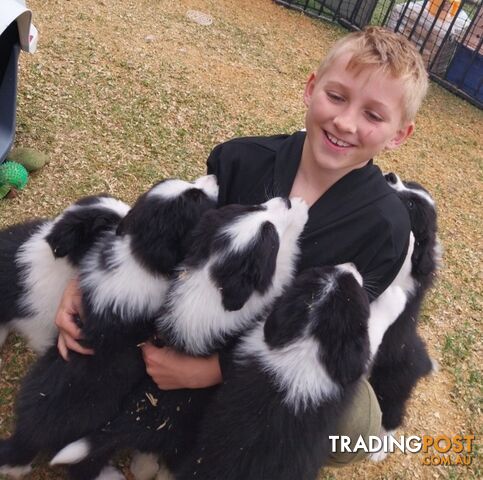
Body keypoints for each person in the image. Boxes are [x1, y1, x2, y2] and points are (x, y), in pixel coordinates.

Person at [55, 26, 429, 466]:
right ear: (311, 88)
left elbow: (332, 339)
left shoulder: (385, 230)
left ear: (399, 134)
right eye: (337, 96)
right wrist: (83, 283)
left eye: (373, 115)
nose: (345, 123)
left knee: (354, 423)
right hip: (192, 321)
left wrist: (210, 372)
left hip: (262, 361)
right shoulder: (239, 159)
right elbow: (161, 235)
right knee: (99, 318)